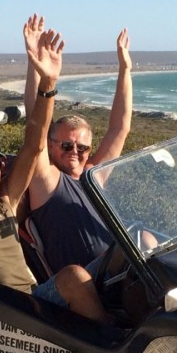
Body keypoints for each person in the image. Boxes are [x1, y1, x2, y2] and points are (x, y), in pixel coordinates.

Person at [0, 21, 107, 322]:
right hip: (8, 314)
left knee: (121, 262)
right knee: (73, 277)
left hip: (36, 302)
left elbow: (34, 145)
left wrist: (48, 84)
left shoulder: (7, 205)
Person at [22, 17, 133, 273]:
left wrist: (125, 70)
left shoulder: (93, 176)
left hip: (119, 273)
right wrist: (36, 65)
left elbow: (119, 128)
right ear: (51, 146)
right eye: (66, 145)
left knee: (149, 242)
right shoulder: (48, 181)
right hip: (88, 281)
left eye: (81, 148)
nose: (74, 152)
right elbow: (35, 125)